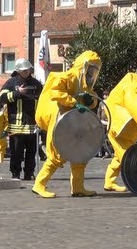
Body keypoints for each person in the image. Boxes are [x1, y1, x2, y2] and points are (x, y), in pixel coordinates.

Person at [32, 50, 101, 198]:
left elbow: (93, 98)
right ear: (83, 66)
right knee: (56, 154)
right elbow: (55, 92)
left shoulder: (85, 85)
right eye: (90, 69)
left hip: (75, 121)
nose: (91, 73)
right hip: (59, 118)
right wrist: (74, 103)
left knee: (80, 154)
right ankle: (39, 184)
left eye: (94, 70)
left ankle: (78, 187)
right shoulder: (67, 77)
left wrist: (91, 101)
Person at [0, 58, 43, 180]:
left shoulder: (36, 84)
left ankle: (29, 173)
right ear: (18, 70)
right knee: (16, 153)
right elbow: (2, 98)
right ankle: (15, 173)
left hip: (32, 125)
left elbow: (43, 100)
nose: (26, 72)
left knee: (31, 153)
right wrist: (17, 93)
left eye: (28, 69)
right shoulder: (11, 83)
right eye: (24, 70)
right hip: (16, 126)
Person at [97, 89, 113, 158]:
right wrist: (98, 119)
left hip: (109, 122)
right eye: (104, 95)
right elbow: (99, 112)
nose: (105, 96)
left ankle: (110, 152)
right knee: (103, 137)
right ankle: (106, 152)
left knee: (109, 138)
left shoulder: (111, 102)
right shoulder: (101, 103)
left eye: (106, 95)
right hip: (102, 122)